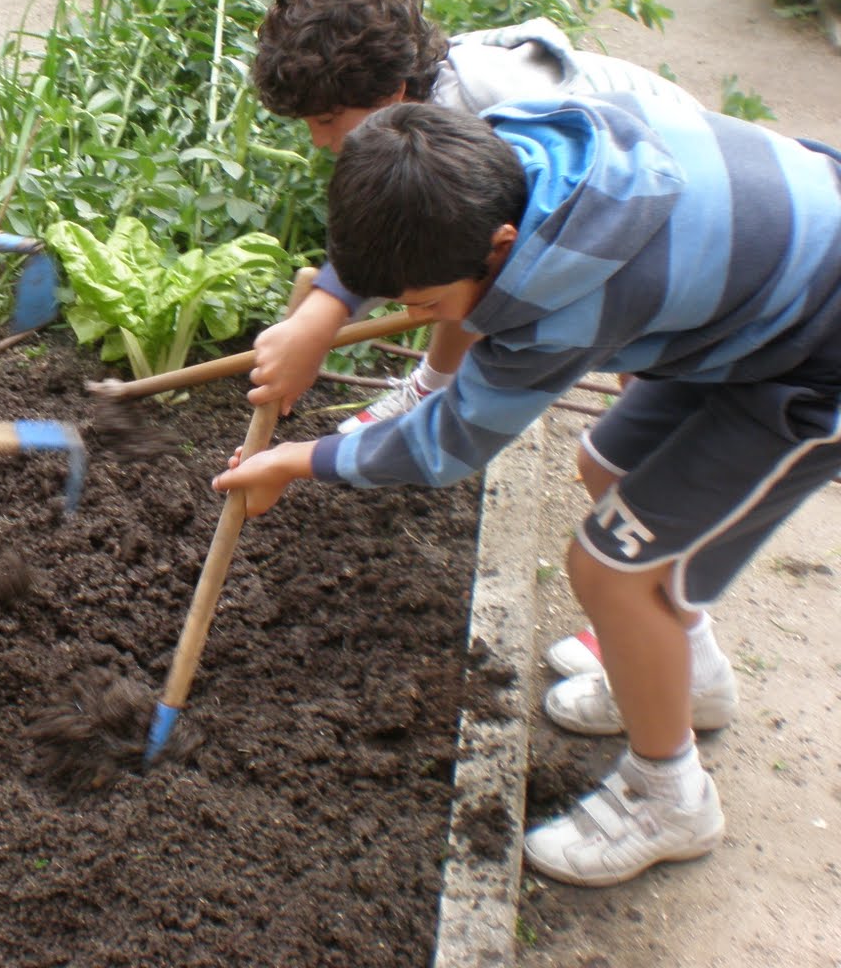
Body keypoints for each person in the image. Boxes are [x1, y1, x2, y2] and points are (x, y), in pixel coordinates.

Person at [215, 97, 841, 887]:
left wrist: (300, 460)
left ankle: (669, 797)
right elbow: (396, 231)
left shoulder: (563, 301)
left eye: (429, 304)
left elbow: (448, 444)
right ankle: (689, 676)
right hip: (761, 305)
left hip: (812, 364)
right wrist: (324, 312)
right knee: (605, 470)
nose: (416, 318)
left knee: (610, 569)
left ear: (502, 247)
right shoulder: (496, 151)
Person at [251, 0, 716, 682]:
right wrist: (322, 314)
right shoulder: (418, 111)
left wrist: (323, 318)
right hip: (633, 227)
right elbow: (420, 238)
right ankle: (434, 385)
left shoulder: (486, 114)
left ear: (394, 89)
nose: (319, 139)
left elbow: (443, 237)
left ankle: (657, 616)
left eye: (327, 119)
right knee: (465, 279)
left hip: (656, 215)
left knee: (644, 443)